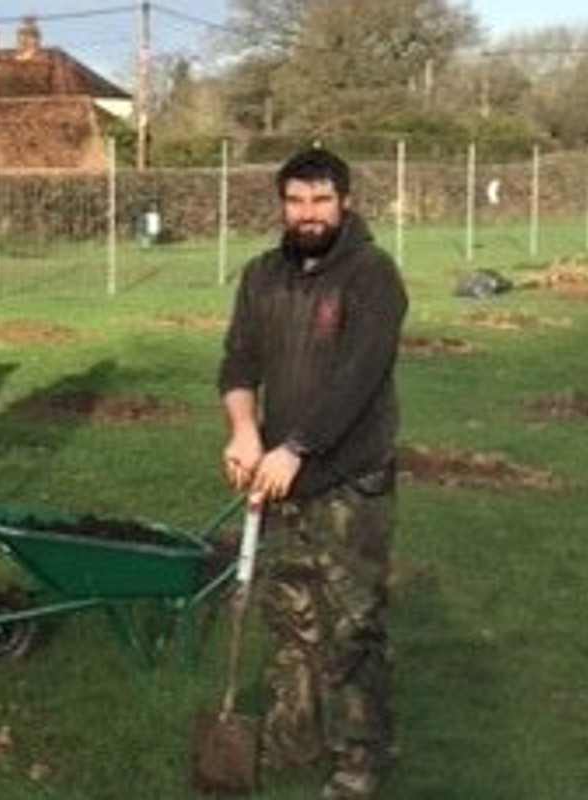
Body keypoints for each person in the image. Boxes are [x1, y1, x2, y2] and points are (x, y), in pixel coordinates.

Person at [218, 147, 406, 800]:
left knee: (351, 623)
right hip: (279, 476)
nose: (308, 213)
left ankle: (360, 759)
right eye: (296, 200)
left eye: (321, 200)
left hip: (351, 476)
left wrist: (295, 446)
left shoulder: (373, 275)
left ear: (344, 202)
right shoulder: (261, 276)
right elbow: (238, 364)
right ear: (281, 205)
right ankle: (292, 735)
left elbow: (358, 378)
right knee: (291, 614)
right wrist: (245, 430)